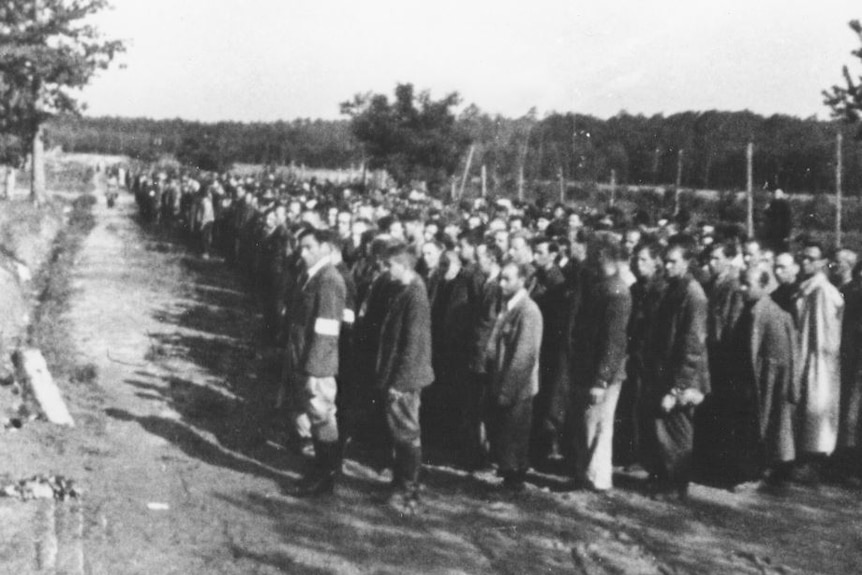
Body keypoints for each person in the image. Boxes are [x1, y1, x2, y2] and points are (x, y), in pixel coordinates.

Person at [641, 235, 710, 500]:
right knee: (662, 429)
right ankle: (663, 478)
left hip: (683, 377)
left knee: (678, 431)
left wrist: (678, 387)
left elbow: (692, 347)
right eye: (665, 262)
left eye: (673, 262)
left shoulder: (693, 296)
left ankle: (676, 485)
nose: (666, 267)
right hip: (664, 371)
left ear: (688, 263)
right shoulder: (673, 288)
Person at [284, 228, 347, 497]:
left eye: (309, 247)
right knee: (316, 416)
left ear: (325, 247)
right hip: (305, 360)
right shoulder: (311, 277)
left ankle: (326, 477)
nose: (303, 253)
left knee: (322, 418)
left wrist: (314, 367)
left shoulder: (329, 280)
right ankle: (320, 472)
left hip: (317, 365)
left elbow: (327, 330)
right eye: (301, 247)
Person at [569, 236, 632, 491]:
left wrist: (601, 380)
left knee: (597, 427)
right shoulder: (600, 285)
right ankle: (588, 476)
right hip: (590, 368)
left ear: (603, 255)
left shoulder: (616, 291)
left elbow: (613, 342)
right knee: (590, 425)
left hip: (603, 374)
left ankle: (595, 480)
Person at [375, 244, 434, 509]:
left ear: (404, 266)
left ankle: (408, 490)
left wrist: (399, 383)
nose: (386, 271)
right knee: (399, 431)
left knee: (407, 433)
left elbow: (413, 345)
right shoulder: (404, 290)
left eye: (390, 266)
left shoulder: (415, 296)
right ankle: (400, 483)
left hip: (406, 380)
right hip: (399, 376)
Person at [735, 265, 798, 486]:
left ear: (763, 286)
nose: (742, 288)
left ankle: (762, 473)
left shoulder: (772, 314)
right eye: (741, 282)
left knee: (767, 425)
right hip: (752, 379)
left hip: (766, 381)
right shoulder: (751, 308)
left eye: (747, 284)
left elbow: (780, 362)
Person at [486, 260, 543, 492]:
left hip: (517, 387)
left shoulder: (528, 311)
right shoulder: (507, 306)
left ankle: (515, 480)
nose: (501, 283)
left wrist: (507, 390)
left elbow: (523, 357)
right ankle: (508, 475)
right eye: (500, 278)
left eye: (507, 279)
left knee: (515, 433)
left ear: (522, 281)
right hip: (501, 380)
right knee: (505, 432)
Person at [794, 241, 844, 477]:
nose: (805, 262)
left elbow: (825, 335)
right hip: (805, 352)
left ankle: (816, 459)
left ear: (823, 262)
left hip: (818, 357)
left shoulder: (822, 291)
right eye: (803, 257)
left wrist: (815, 360)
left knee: (817, 402)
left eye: (811, 258)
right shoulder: (807, 287)